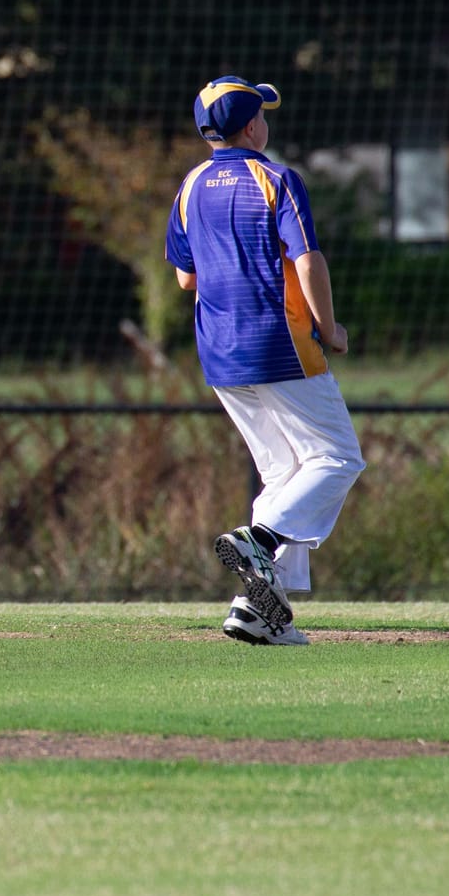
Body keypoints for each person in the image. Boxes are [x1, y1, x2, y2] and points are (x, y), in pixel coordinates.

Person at [165, 77, 365, 646]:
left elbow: (185, 277)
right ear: (253, 127)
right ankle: (262, 537)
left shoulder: (190, 183)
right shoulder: (275, 177)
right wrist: (330, 329)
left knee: (282, 472)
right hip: (280, 343)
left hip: (219, 351)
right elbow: (307, 259)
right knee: (336, 459)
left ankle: (260, 612)